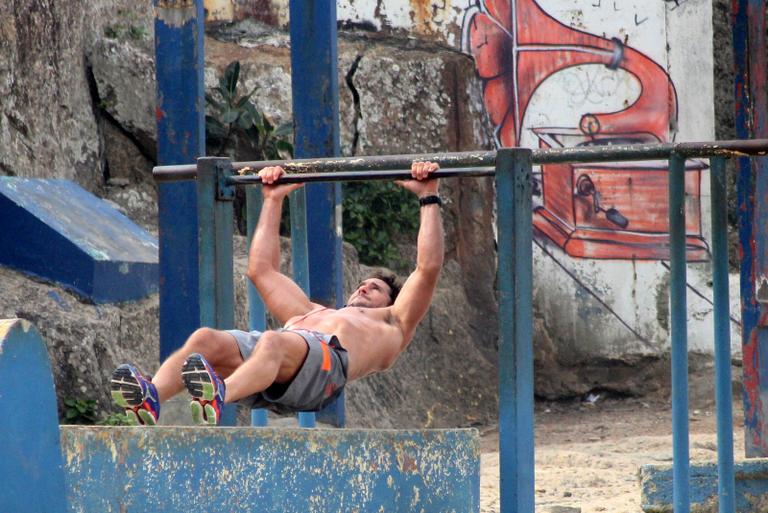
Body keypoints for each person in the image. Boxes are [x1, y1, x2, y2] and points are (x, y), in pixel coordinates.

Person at [110, 161, 444, 425]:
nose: (365, 286)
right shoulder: (310, 312)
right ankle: (151, 396)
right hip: (280, 362)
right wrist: (273, 199)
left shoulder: (394, 322)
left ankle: (219, 395)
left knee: (274, 340)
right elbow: (261, 270)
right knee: (205, 339)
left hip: (325, 372)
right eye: (363, 283)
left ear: (391, 301)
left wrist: (428, 197)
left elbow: (426, 268)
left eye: (376, 289)